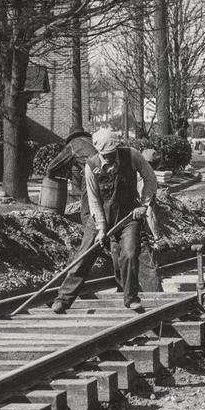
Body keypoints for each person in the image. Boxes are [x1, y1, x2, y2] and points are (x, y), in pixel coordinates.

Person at [84, 128, 158, 311]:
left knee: (130, 253)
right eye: (105, 155)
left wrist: (144, 204)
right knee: (86, 255)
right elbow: (93, 200)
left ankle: (131, 297)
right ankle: (64, 297)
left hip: (129, 215)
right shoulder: (91, 166)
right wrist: (101, 228)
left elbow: (151, 179)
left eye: (112, 153)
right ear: (98, 151)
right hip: (102, 215)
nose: (109, 158)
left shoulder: (131, 155)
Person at [48, 128, 101, 314]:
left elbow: (53, 166)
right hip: (106, 182)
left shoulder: (74, 145)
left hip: (93, 182)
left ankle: (64, 296)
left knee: (89, 226)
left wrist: (52, 176)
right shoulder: (96, 142)